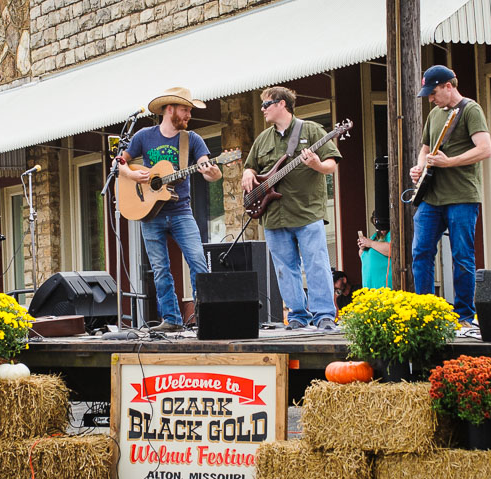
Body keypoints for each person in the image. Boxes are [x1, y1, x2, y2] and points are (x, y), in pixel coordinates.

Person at [117, 87, 221, 333]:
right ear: (170, 109)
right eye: (185, 110)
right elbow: (118, 162)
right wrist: (132, 174)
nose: (189, 115)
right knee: (160, 268)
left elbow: (206, 168)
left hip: (181, 211)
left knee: (197, 261)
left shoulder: (191, 140)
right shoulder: (143, 136)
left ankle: (206, 316)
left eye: (190, 111)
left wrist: (212, 171)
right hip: (150, 213)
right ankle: (171, 318)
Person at [241, 86, 342, 331]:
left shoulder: (312, 130)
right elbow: (251, 166)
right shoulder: (262, 139)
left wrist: (317, 164)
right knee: (285, 268)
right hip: (274, 214)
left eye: (266, 104)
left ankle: (324, 315)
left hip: (306, 211)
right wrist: (247, 173)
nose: (263, 109)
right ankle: (297, 314)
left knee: (316, 263)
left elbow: (332, 165)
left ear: (282, 104)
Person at [408, 65, 491, 338]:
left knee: (462, 256)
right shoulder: (434, 115)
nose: (431, 99)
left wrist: (449, 162)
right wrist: (419, 168)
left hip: (462, 195)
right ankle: (425, 311)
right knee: (420, 252)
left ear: (447, 85)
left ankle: (465, 316)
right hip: (431, 196)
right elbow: (424, 150)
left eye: (433, 93)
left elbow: (485, 149)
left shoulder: (471, 110)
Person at [358, 210, 392, 289]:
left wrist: (371, 244)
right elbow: (363, 255)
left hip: (386, 289)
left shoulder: (391, 234)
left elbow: (392, 250)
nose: (382, 230)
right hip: (370, 290)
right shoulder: (374, 237)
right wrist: (362, 247)